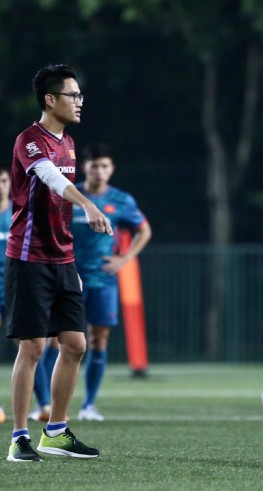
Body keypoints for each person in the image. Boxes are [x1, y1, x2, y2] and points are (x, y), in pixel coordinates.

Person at [6, 64, 112, 463]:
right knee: (33, 347)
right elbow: (51, 178)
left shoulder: (68, 142)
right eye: (73, 95)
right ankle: (19, 438)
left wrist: (72, 267)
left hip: (62, 259)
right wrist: (88, 204)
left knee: (75, 343)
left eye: (80, 95)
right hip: (28, 257)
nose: (80, 102)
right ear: (50, 99)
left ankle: (56, 431)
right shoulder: (29, 140)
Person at [73, 143, 151, 420]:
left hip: (103, 280)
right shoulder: (71, 195)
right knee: (57, 341)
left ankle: (88, 405)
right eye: (94, 166)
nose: (99, 171)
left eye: (104, 166)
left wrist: (124, 258)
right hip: (69, 279)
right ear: (85, 167)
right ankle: (45, 405)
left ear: (112, 169)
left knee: (98, 340)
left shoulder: (120, 200)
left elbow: (144, 230)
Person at [0, 167, 11, 425]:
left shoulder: (20, 212)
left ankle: (44, 405)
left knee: (30, 346)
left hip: (16, 288)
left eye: (3, 181)